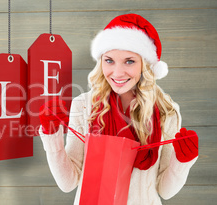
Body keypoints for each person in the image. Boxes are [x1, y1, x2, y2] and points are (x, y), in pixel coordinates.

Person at [38, 14, 198, 205]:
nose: (118, 72)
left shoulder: (167, 112)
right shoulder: (84, 105)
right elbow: (68, 183)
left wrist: (182, 162)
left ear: (145, 65)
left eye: (129, 61)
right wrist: (52, 135)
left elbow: (165, 190)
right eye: (109, 60)